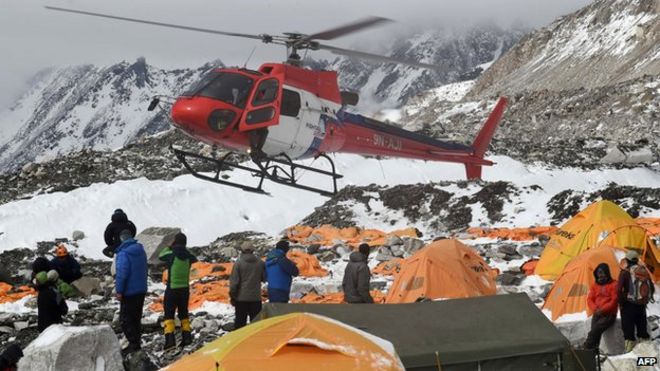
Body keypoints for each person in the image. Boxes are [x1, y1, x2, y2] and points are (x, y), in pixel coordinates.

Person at [158, 232, 197, 350]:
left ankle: (170, 341)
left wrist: (169, 246)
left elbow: (161, 255)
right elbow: (194, 257)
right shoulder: (189, 256)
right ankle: (187, 338)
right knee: (183, 314)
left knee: (169, 315)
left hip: (172, 289)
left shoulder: (171, 254)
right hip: (184, 289)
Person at [115, 229, 148, 353]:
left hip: (129, 291)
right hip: (141, 289)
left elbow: (122, 274)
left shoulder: (123, 253)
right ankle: (136, 343)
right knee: (136, 317)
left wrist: (119, 290)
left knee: (125, 319)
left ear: (122, 239)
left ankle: (133, 344)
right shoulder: (141, 250)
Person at [617, 250, 654, 352]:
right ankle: (646, 357)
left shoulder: (625, 272)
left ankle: (630, 355)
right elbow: (651, 288)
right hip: (641, 305)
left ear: (627, 260)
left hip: (629, 305)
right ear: (637, 260)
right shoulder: (643, 271)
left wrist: (621, 303)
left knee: (629, 333)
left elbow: (619, 289)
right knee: (642, 330)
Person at [229, 241, 266, 330]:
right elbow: (264, 278)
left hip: (241, 299)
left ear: (242, 251)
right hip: (256, 298)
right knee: (256, 325)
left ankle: (240, 342)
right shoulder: (260, 262)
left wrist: (233, 296)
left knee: (240, 324)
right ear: (253, 250)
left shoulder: (238, 263)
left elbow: (234, 283)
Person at [583, 263, 618, 350]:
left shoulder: (614, 284)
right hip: (597, 313)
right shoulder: (595, 285)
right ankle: (594, 353)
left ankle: (586, 350)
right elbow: (589, 299)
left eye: (602, 272)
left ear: (607, 273)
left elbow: (614, 301)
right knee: (595, 334)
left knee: (593, 332)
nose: (600, 275)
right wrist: (595, 309)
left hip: (609, 314)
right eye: (598, 273)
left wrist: (602, 310)